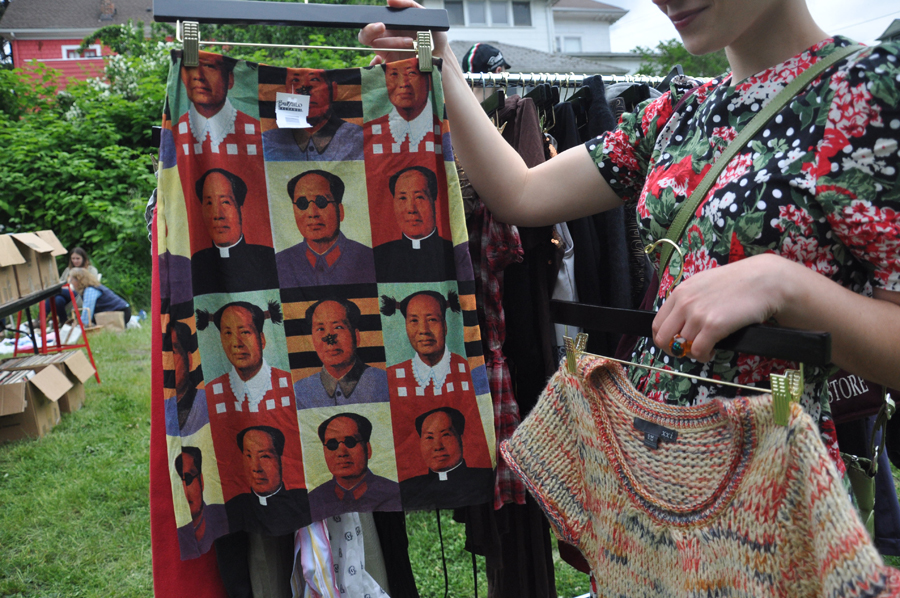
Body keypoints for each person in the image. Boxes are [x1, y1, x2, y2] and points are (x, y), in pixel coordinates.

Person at [360, 0, 900, 467]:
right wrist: (444, 64)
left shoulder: (868, 93)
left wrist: (783, 285)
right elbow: (521, 194)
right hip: (654, 473)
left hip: (768, 484)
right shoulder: (679, 113)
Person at [275, 170, 376, 287]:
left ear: (340, 211)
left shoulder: (368, 259)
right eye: (302, 203)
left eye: (321, 201)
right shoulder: (280, 262)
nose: (312, 213)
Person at [381, 290, 489, 398]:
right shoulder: (391, 377)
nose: (424, 330)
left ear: (445, 326)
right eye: (414, 321)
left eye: (432, 320)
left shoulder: (469, 370)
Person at [190, 167, 279, 295]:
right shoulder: (196, 263)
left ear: (241, 209)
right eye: (209, 203)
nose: (217, 215)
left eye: (225, 202)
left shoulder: (268, 258)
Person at [293, 298, 389, 408]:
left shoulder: (385, 383)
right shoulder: (299, 392)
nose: (330, 340)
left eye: (338, 327)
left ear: (356, 336)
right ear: (312, 340)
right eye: (320, 329)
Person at [372, 166, 457, 282]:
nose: (411, 209)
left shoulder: (453, 252)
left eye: (419, 197)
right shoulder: (377, 256)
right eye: (402, 198)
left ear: (435, 201)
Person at [308, 413, 401, 518]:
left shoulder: (395, 494)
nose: (341, 452)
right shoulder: (312, 501)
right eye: (332, 444)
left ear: (368, 449)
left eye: (350, 442)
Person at [399, 407, 493, 509]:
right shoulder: (408, 488)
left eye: (445, 435)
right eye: (429, 437)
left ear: (462, 439)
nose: (438, 447)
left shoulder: (485, 479)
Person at [262, 68, 364, 161]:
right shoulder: (267, 141)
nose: (305, 90)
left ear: (334, 90)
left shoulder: (359, 137)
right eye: (295, 81)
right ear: (285, 90)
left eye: (315, 80)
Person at [224, 426, 310, 535]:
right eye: (248, 456)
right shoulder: (232, 508)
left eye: (264, 456)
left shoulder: (305, 501)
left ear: (281, 460)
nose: (256, 468)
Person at [176, 52, 259, 158]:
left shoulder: (255, 131)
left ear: (230, 79)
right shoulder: (175, 131)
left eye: (209, 66)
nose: (198, 76)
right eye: (188, 68)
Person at [365, 59, 443, 156]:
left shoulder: (445, 127)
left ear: (430, 81)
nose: (403, 84)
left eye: (412, 73)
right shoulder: (372, 130)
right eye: (394, 74)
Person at [175, 446, 228, 560]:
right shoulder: (178, 532)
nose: (184, 489)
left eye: (188, 478)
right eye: (179, 481)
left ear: (202, 480)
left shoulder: (223, 514)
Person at [163, 320, 209, 437]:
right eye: (164, 353)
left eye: (173, 352)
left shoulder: (204, 404)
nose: (167, 363)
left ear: (189, 359)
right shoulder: (162, 403)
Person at [46, 247, 99, 323]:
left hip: (81, 294)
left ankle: (41, 319)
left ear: (83, 258)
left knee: (54, 292)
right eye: (73, 258)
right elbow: (60, 282)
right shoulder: (68, 270)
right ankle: (64, 322)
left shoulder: (91, 270)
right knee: (58, 299)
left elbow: (93, 284)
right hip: (67, 296)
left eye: (78, 258)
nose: (75, 261)